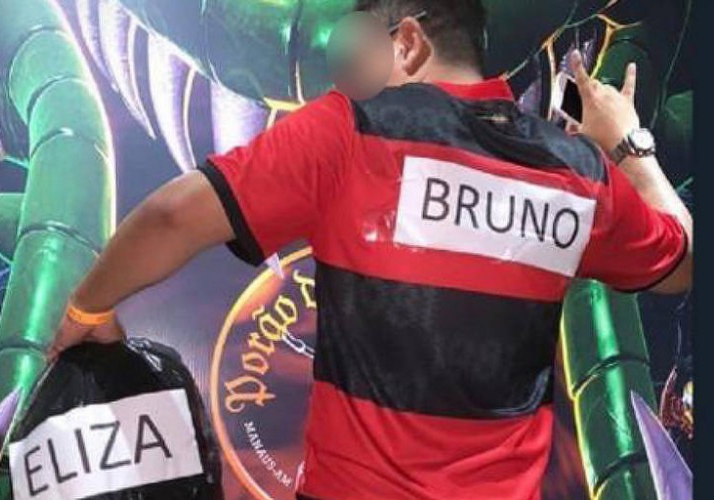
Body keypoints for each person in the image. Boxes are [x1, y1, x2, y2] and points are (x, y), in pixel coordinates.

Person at [48, 1, 693, 498]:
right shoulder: (576, 173)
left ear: (407, 42)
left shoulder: (352, 128)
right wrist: (628, 143)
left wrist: (86, 311)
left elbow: (171, 216)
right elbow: (679, 265)